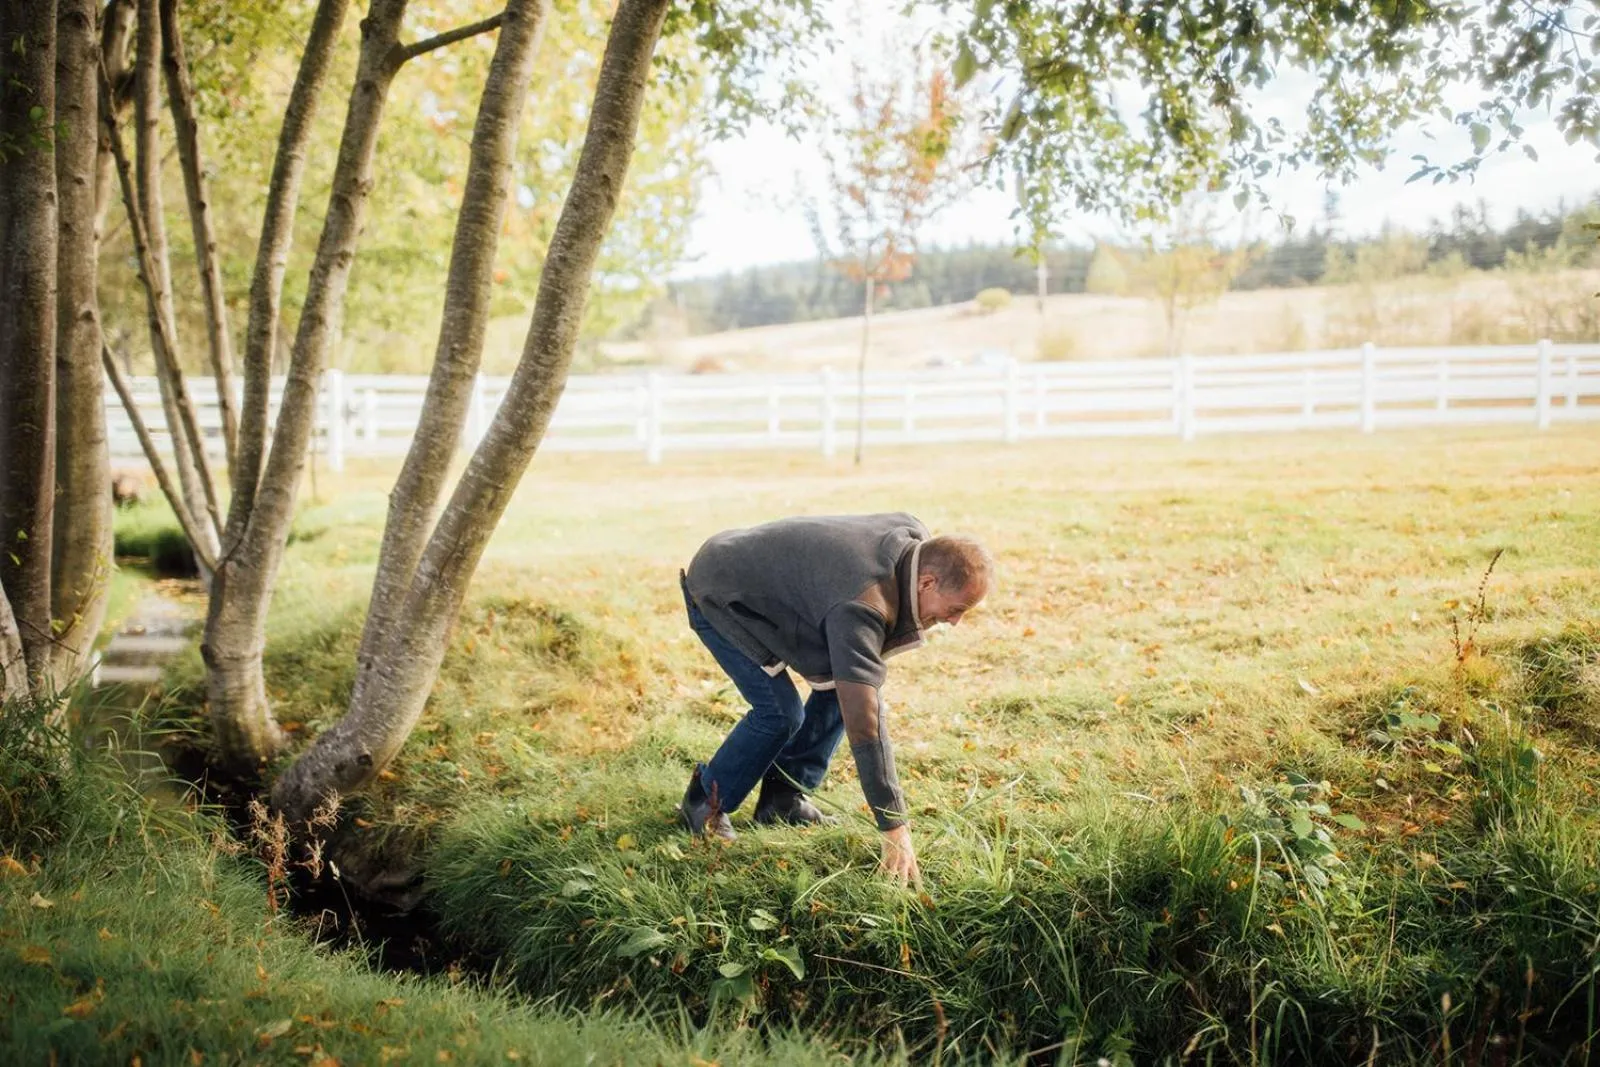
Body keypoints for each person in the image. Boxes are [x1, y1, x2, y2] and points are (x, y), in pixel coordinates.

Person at [676, 512, 993, 886]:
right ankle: (703, 804)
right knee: (780, 713)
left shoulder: (915, 543)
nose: (955, 622)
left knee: (840, 689)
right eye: (956, 609)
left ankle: (782, 802)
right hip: (719, 588)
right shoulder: (860, 604)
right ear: (927, 581)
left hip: (780, 585)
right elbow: (866, 721)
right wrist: (894, 826)